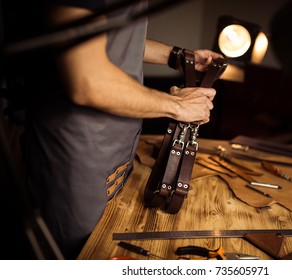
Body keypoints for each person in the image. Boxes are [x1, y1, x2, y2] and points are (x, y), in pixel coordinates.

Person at [21, 0, 223, 259]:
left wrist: (181, 57)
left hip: (117, 145)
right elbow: (88, 81)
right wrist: (177, 106)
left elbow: (113, 39)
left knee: (106, 244)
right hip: (76, 155)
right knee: (75, 256)